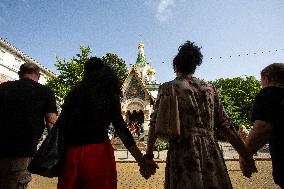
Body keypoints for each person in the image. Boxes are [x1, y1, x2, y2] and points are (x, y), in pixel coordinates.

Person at [144, 41, 257, 189]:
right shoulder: (209, 89)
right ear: (194, 67)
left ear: (176, 67)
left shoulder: (168, 87)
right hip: (211, 152)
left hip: (183, 152)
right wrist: (246, 156)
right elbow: (225, 125)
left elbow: (154, 123)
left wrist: (148, 155)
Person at [57, 57, 157, 189]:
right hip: (98, 153)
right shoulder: (108, 94)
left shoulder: (74, 93)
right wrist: (141, 160)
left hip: (72, 152)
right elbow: (121, 128)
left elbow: (63, 124)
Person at [0, 63, 58, 189]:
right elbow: (51, 121)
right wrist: (54, 147)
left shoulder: (3, 88)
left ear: (20, 73)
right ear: (38, 75)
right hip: (23, 151)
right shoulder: (46, 92)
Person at [241, 63, 284, 188]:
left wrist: (245, 156)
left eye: (261, 80)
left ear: (266, 78)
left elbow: (263, 128)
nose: (261, 84)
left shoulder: (268, 94)